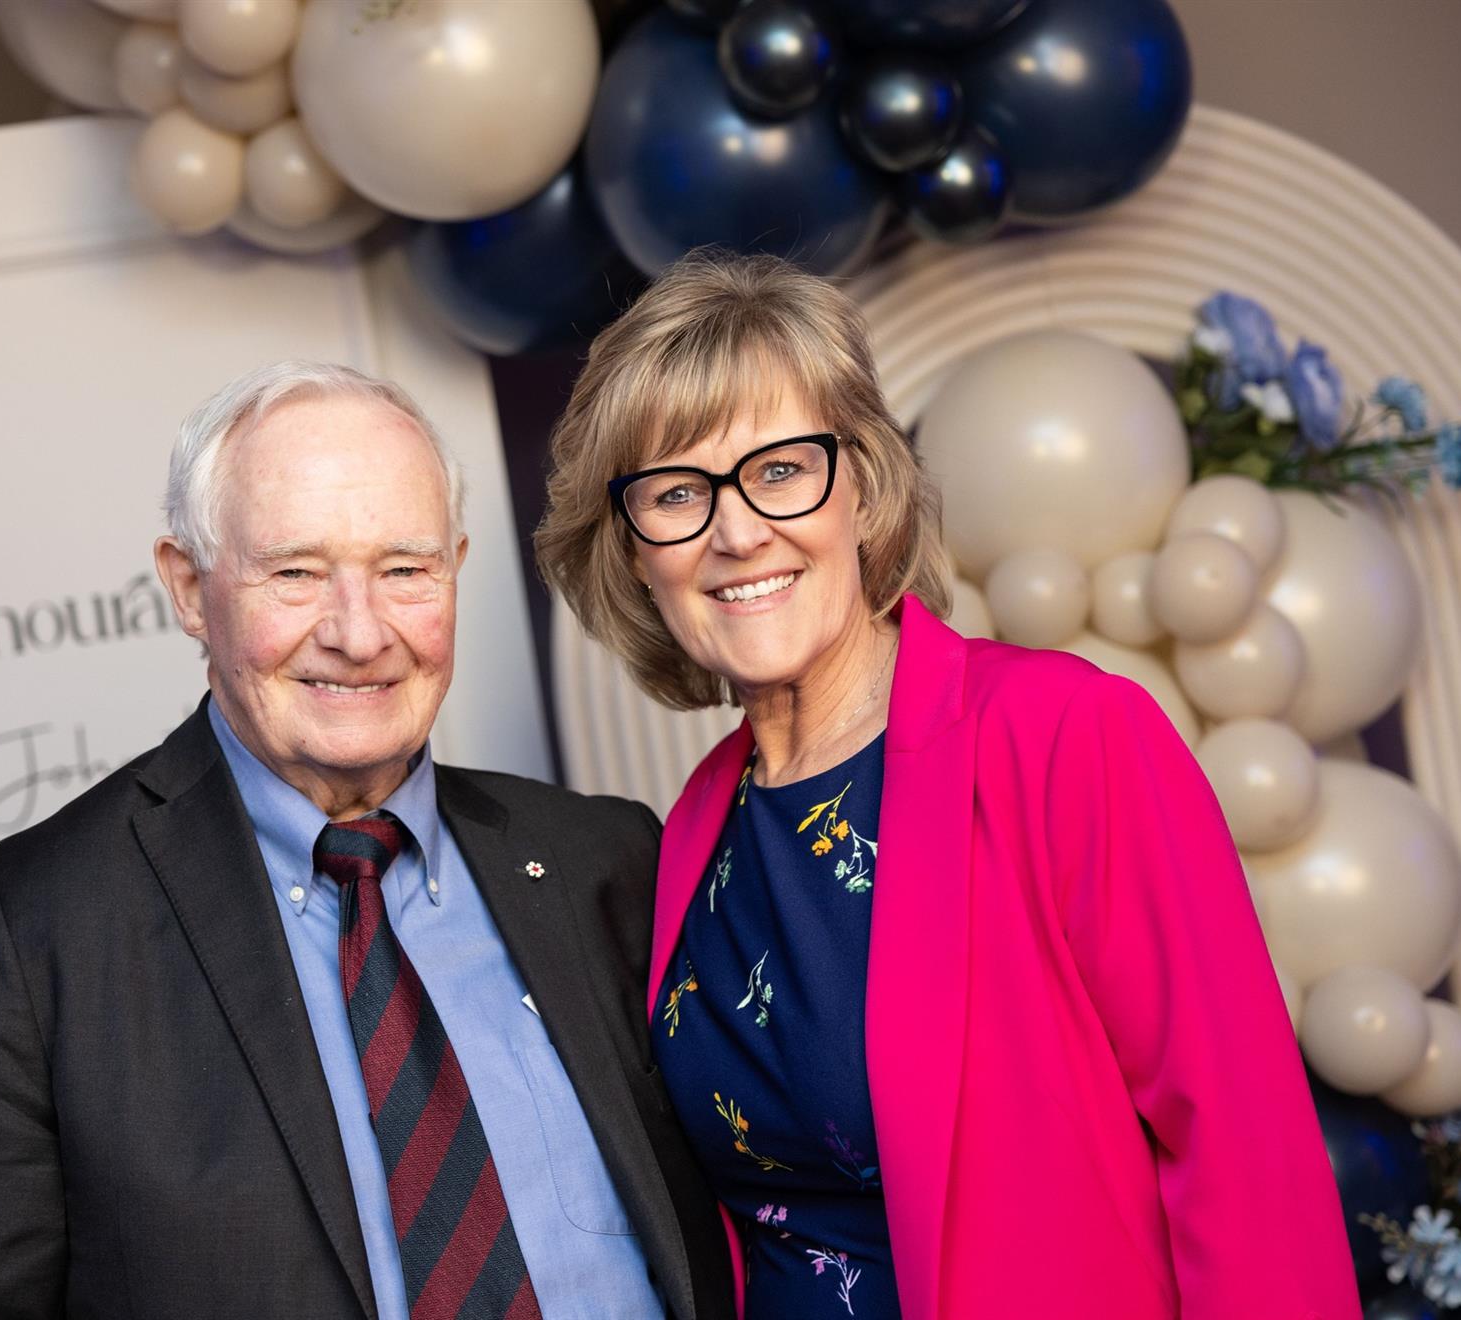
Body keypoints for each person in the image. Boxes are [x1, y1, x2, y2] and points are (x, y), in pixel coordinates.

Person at [533, 254, 1360, 1320]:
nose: (735, 532)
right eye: (678, 493)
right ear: (636, 553)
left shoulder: (1062, 737)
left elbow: (1248, 1163)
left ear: (865, 489)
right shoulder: (695, 827)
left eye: (780, 470)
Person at [0, 361, 736, 1320]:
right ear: (188, 588)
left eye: (404, 570)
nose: (359, 634)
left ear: (454, 568)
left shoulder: (608, 862)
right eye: (296, 573)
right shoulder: (38, 933)